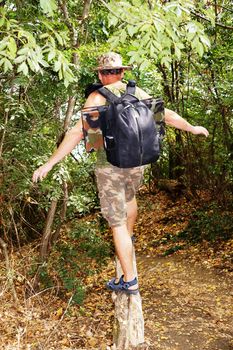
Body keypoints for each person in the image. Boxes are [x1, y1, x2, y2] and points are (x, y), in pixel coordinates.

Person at [32, 52, 209, 295]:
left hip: (110, 166)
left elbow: (77, 133)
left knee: (116, 222)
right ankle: (130, 238)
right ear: (122, 72)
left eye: (106, 72)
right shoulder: (136, 92)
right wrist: (192, 128)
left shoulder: (96, 97)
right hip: (137, 163)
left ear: (100, 74)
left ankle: (130, 280)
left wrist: (49, 164)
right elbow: (165, 116)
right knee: (129, 198)